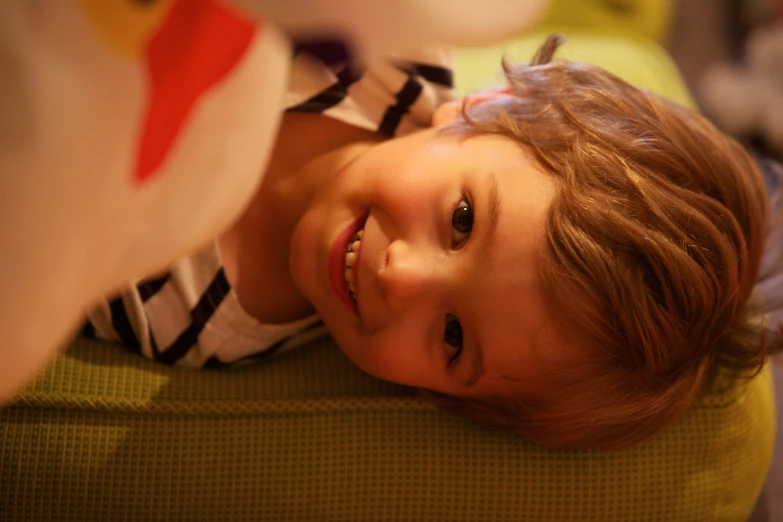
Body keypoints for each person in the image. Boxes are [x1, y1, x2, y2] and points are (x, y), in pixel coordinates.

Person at [83, 35, 783, 449]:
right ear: (483, 111)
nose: (400, 276)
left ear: (440, 399)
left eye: (451, 338)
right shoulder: (378, 40)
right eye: (461, 221)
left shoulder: (176, 314)